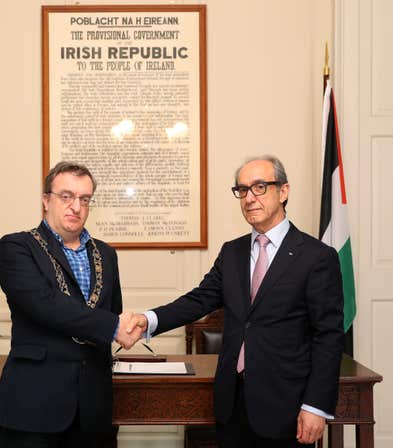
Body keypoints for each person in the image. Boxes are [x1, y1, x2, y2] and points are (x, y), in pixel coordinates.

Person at [126, 156, 344, 448]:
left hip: (287, 407)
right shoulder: (232, 252)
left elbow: (328, 336)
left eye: (260, 187)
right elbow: (199, 299)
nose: (249, 198)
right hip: (232, 405)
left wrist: (315, 406)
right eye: (242, 190)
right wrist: (148, 319)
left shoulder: (317, 256)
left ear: (283, 191)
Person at [0, 161, 139, 448]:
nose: (76, 206)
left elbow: (112, 311)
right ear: (46, 200)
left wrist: (122, 325)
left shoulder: (107, 254)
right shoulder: (16, 247)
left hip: (93, 410)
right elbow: (44, 304)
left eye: (84, 199)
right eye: (66, 196)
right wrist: (113, 326)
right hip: (33, 406)